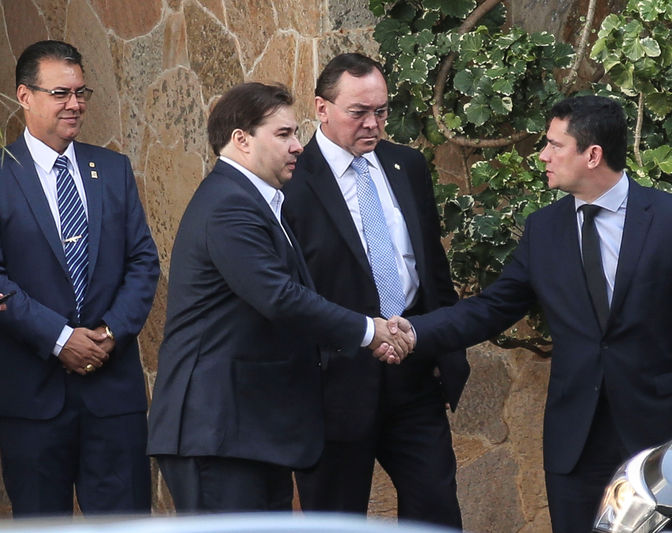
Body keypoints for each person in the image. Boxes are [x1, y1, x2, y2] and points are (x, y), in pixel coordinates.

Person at [388, 95, 672, 533]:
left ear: (592, 155)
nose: (543, 155)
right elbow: (492, 308)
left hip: (664, 440)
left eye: (555, 145)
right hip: (575, 443)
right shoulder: (544, 229)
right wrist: (412, 331)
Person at [146, 82, 412, 513]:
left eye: (295, 134)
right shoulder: (229, 204)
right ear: (241, 140)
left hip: (251, 433)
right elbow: (280, 298)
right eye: (284, 134)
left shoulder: (261, 200)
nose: (297, 147)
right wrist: (370, 330)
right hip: (217, 432)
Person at [282, 53, 469, 528]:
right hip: (336, 386)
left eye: (381, 111)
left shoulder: (406, 165)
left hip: (414, 375)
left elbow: (431, 268)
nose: (373, 124)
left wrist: (442, 347)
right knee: (337, 520)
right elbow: (291, 294)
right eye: (358, 112)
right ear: (321, 108)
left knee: (436, 512)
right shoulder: (291, 183)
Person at [0, 40, 160, 516]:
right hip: (31, 399)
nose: (75, 103)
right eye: (60, 93)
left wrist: (108, 333)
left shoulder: (112, 169)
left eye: (81, 91)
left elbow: (143, 262)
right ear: (24, 96)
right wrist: (60, 338)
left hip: (113, 397)